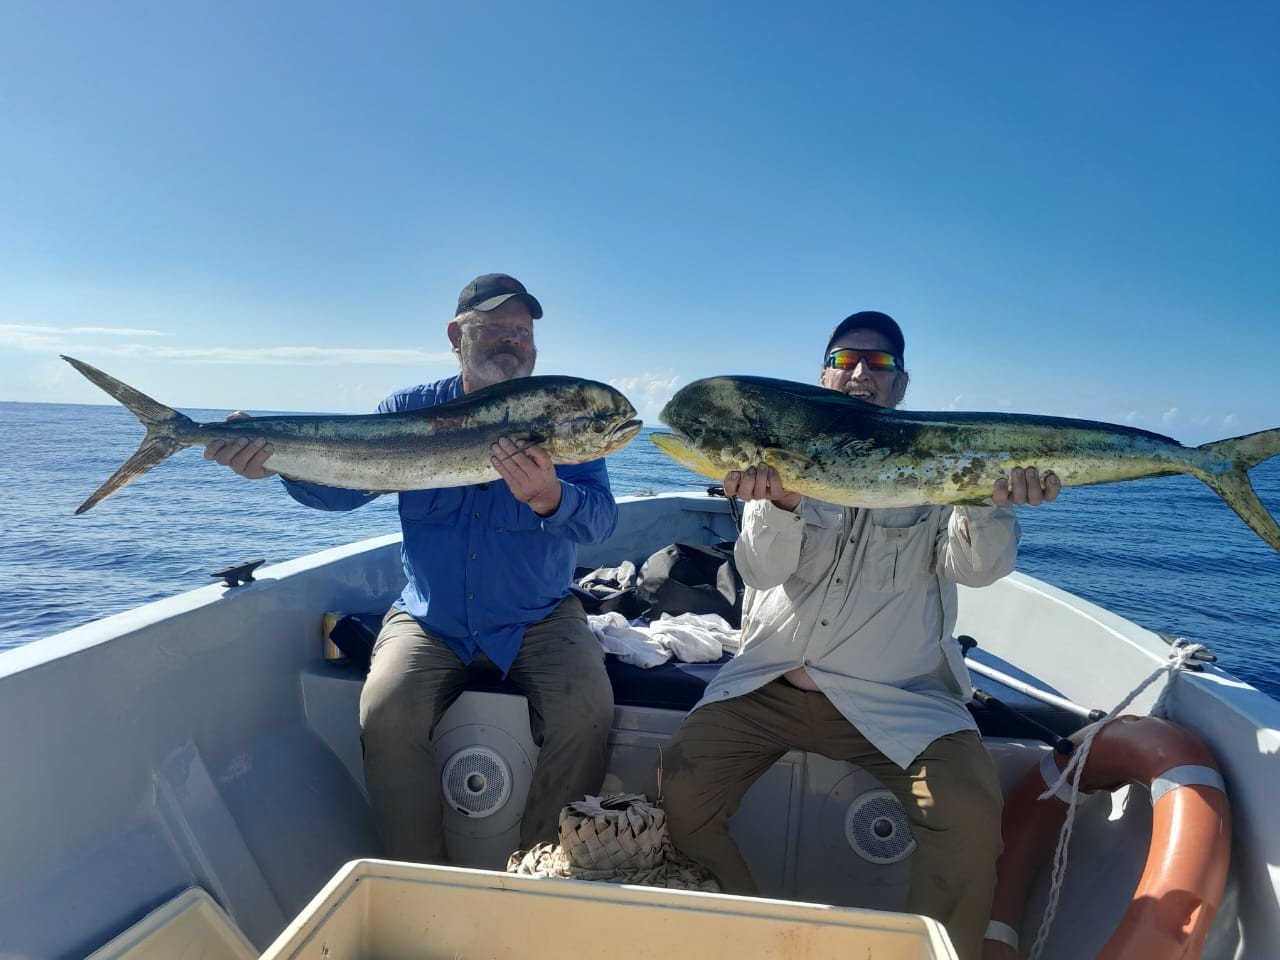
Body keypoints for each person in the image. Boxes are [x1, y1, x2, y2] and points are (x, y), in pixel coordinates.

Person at [661, 311, 1060, 960]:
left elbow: (978, 570)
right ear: (822, 374)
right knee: (678, 788)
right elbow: (760, 569)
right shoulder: (776, 457)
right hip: (765, 688)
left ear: (900, 386)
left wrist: (992, 502)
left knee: (967, 816)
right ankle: (754, 940)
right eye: (845, 360)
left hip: (898, 699)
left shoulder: (935, 464)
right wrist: (781, 502)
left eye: (878, 365)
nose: (859, 374)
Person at [203, 273, 617, 862]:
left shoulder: (565, 416)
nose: (511, 340)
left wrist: (553, 497)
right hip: (431, 616)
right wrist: (278, 464)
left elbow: (599, 522)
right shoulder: (410, 409)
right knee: (385, 711)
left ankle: (540, 871)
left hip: (540, 616)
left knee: (586, 710)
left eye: (522, 331)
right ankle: (414, 874)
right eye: (495, 327)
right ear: (456, 335)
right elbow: (343, 494)